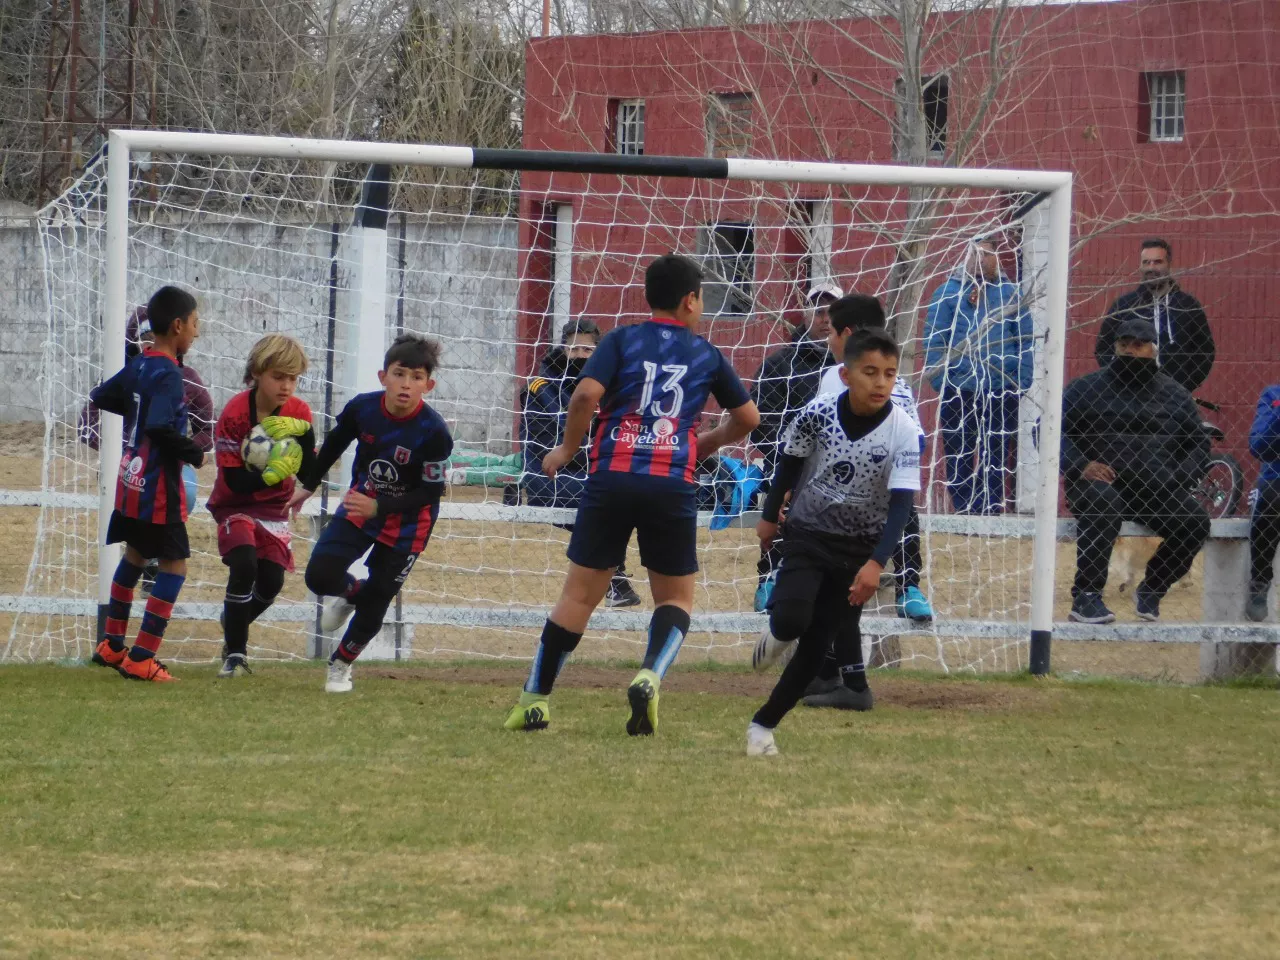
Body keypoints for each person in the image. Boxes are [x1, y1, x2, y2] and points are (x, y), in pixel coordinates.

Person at [503, 254, 760, 735]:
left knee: (579, 596)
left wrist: (567, 448)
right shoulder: (706, 353)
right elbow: (748, 419)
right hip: (671, 484)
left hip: (611, 478)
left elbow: (582, 397)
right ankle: (649, 675)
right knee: (676, 598)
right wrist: (700, 446)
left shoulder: (620, 339)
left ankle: (534, 700)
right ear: (689, 300)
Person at [746, 327, 921, 756]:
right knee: (790, 621)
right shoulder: (817, 412)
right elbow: (788, 464)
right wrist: (769, 518)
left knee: (816, 647)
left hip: (858, 549)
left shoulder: (905, 432)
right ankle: (775, 636)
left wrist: (878, 563)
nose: (881, 383)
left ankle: (762, 728)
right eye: (870, 372)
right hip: (807, 533)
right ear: (846, 375)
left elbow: (901, 507)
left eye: (890, 374)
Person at [288, 333, 454, 693]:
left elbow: (431, 491)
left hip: (410, 522)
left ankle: (340, 667)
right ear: (383, 377)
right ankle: (351, 591)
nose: (406, 384)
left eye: (416, 377)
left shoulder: (434, 432)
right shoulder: (363, 408)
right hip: (362, 507)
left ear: (429, 384)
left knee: (379, 599)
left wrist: (380, 505)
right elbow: (333, 444)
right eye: (399, 374)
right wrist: (309, 483)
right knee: (319, 576)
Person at [86, 286, 204, 682]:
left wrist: (135, 401)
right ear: (177, 326)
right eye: (194, 323)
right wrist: (194, 452)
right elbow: (157, 426)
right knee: (175, 566)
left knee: (135, 555)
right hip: (156, 485)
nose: (197, 332)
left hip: (130, 479)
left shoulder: (140, 364)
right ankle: (141, 658)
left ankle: (111, 645)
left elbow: (102, 395)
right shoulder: (169, 373)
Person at [1061, 318, 1210, 624]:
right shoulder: (1085, 388)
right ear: (1115, 346)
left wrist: (1179, 478)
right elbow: (1050, 432)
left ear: (1153, 350)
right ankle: (1086, 597)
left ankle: (1153, 589)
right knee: (1104, 503)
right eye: (1123, 344)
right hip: (1097, 486)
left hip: (1154, 488)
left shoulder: (1175, 394)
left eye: (1138, 345)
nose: (1129, 351)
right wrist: (1081, 465)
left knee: (1194, 521)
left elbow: (1197, 443)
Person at [79, 306, 214, 592]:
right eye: (143, 335)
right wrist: (111, 445)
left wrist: (188, 450)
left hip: (163, 465)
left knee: (183, 494)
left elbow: (206, 429)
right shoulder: (134, 369)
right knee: (172, 564)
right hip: (135, 467)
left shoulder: (186, 378)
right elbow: (90, 414)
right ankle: (139, 634)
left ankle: (149, 560)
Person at [817, 293, 933, 625]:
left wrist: (892, 463)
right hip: (840, 482)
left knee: (904, 506)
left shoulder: (899, 386)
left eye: (831, 333)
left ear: (848, 334)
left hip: (881, 482)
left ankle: (909, 586)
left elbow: (918, 440)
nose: (828, 340)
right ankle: (780, 577)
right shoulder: (834, 377)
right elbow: (820, 431)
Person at [206, 334, 317, 677]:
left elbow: (310, 456)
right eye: (278, 377)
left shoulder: (299, 412)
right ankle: (236, 656)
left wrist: (308, 485)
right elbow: (236, 481)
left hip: (274, 510)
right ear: (257, 372)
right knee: (244, 565)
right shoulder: (236, 414)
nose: (286, 386)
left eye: (293, 378)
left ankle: (232, 620)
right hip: (234, 504)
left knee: (271, 584)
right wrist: (273, 474)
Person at [520, 317, 640, 608]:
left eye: (587, 352)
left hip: (596, 469)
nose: (579, 357)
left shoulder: (612, 385)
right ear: (562, 350)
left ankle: (610, 583)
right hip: (550, 475)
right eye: (574, 350)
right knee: (602, 500)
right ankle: (614, 580)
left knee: (623, 494)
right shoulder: (540, 388)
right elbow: (547, 442)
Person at [923, 237, 1033, 515]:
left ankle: (990, 510)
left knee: (995, 454)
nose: (982, 259)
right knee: (958, 451)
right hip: (959, 389)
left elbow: (1025, 341)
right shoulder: (946, 293)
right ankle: (963, 509)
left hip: (1000, 388)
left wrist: (1020, 381)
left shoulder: (1011, 293)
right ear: (966, 258)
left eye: (988, 254)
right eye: (976, 254)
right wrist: (941, 381)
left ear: (997, 258)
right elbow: (935, 341)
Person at [749, 282, 842, 610]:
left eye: (832, 312)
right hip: (787, 462)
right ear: (805, 314)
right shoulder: (778, 364)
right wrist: (791, 453)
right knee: (783, 492)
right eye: (818, 311)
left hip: (843, 464)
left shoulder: (853, 368)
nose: (825, 319)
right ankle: (768, 578)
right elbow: (756, 422)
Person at [1095, 238, 1214, 394]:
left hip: (1173, 395)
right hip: (1130, 394)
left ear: (1169, 265)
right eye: (1146, 262)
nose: (1151, 268)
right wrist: (1120, 379)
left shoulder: (1187, 306)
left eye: (1157, 262)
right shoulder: (1124, 306)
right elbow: (1103, 348)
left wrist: (1184, 387)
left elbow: (1205, 351)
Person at [1246, 382, 1280, 621]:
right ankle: (1260, 581)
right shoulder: (1273, 395)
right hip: (1277, 481)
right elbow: (1259, 446)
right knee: (1270, 496)